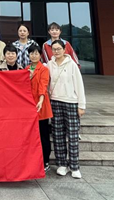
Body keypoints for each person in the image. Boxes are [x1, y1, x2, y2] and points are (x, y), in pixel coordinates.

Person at [48, 39, 86, 179]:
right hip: (55, 102)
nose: (56, 51)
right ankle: (62, 164)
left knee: (73, 136)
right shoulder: (49, 65)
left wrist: (81, 105)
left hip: (71, 102)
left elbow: (79, 85)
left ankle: (74, 166)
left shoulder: (72, 64)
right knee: (58, 135)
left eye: (59, 49)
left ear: (64, 49)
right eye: (54, 49)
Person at [28, 43, 53, 173]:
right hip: (29, 106)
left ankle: (45, 160)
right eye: (31, 53)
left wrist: (41, 99)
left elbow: (43, 85)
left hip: (41, 105)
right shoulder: (26, 69)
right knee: (32, 135)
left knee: (43, 134)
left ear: (40, 55)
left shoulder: (44, 69)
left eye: (36, 53)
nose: (34, 55)